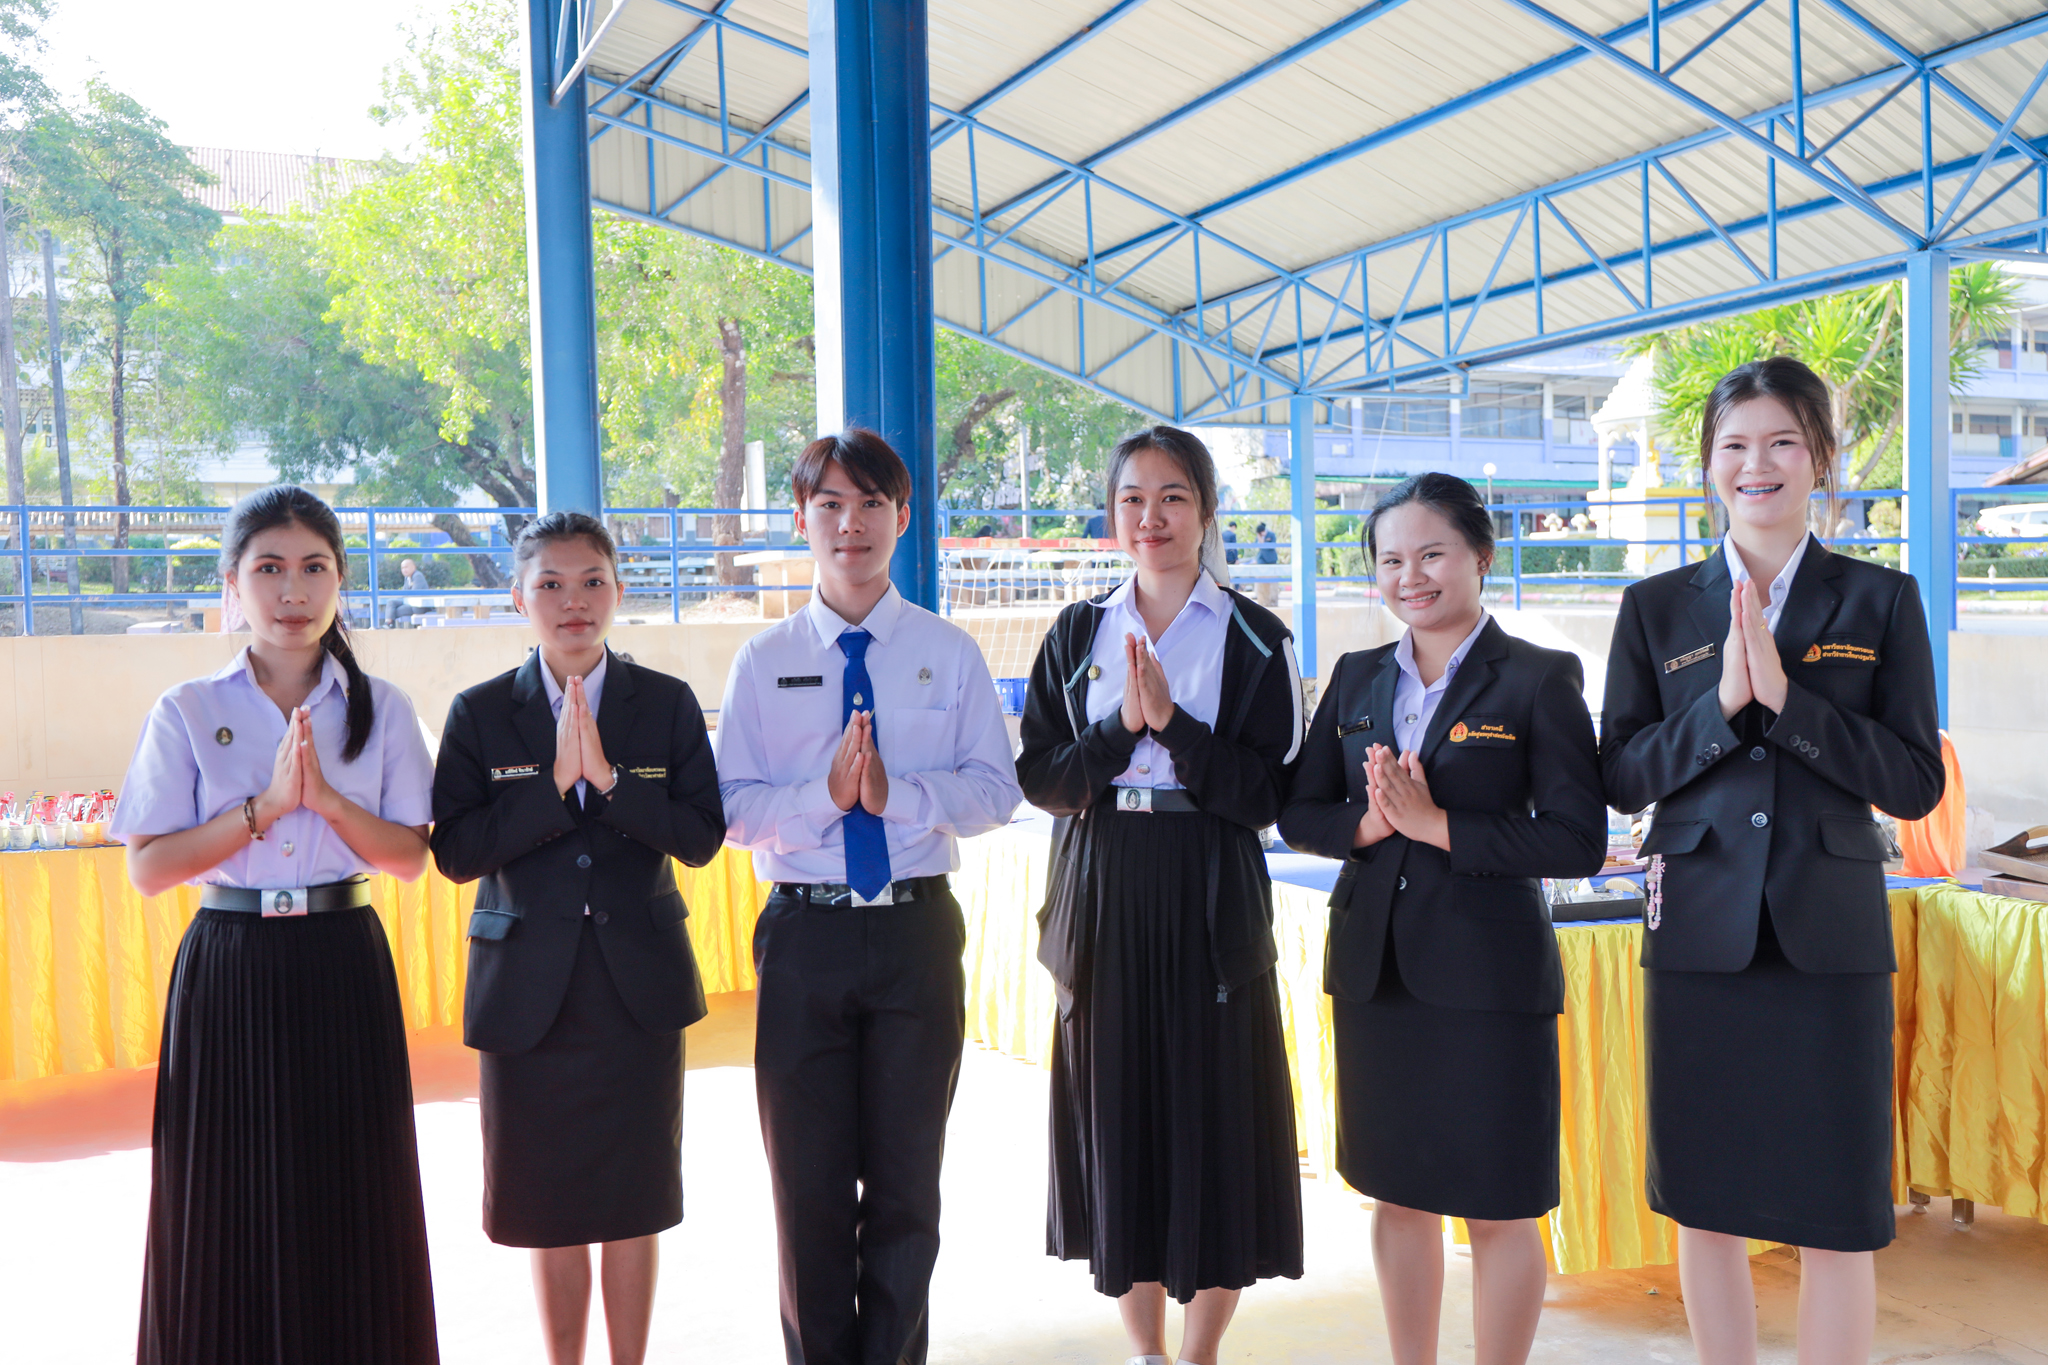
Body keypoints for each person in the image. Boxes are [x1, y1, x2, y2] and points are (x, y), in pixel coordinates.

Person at [1600, 356, 1944, 1365]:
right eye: (1735, 444)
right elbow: (1620, 773)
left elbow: (1914, 782)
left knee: (1836, 1203)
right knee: (1703, 1197)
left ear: (1819, 457)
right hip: (1697, 931)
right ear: (1708, 463)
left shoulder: (1881, 599)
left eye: (1783, 441)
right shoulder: (1656, 606)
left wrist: (1790, 706)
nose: (1757, 463)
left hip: (1827, 934)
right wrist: (1721, 708)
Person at [1278, 472, 1605, 1365]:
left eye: (1431, 554)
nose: (1410, 576)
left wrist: (1439, 826)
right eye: (1390, 560)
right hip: (1378, 974)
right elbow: (1299, 810)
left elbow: (1578, 837)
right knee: (1399, 1194)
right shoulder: (1355, 677)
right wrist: (1368, 825)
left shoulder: (1538, 676)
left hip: (1490, 979)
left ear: (1480, 556)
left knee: (1501, 1203)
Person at [113, 484, 440, 1364]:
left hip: (343, 959)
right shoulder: (188, 707)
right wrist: (263, 808)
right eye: (268, 568)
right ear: (231, 584)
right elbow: (148, 867)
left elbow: (411, 856)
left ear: (340, 581)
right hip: (230, 962)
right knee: (223, 1190)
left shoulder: (384, 707)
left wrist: (326, 802)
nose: (292, 590)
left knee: (351, 1184)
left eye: (313, 568)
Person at [717, 428, 1022, 1365]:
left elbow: (997, 791)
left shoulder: (948, 651)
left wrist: (900, 797)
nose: (851, 524)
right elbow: (731, 810)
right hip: (803, 937)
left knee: (905, 1188)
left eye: (872, 504)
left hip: (915, 934)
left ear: (903, 517)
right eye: (830, 505)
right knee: (806, 1190)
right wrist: (826, 797)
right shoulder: (762, 659)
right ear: (801, 519)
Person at [1016, 425, 1305, 1365]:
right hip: (1103, 881)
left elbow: (1269, 795)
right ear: (1112, 514)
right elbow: (1043, 777)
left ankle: (1200, 1352)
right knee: (1120, 1122)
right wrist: (1117, 730)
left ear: (1207, 510)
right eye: (1133, 498)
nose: (1152, 516)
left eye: (1173, 496)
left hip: (1210, 888)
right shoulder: (1076, 632)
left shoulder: (1256, 635)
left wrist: (1173, 725)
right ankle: (1146, 1351)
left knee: (1216, 1120)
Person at [430, 511, 726, 1365]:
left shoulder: (664, 702)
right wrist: (556, 785)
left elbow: (701, 836)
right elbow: (456, 851)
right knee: (546, 1207)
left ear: (619, 589)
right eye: (551, 584)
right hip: (527, 994)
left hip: (636, 989)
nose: (573, 601)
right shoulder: (481, 712)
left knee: (635, 1203)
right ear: (517, 596)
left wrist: (610, 780)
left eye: (592, 580)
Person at [1255, 523, 1279, 607]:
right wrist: (1259, 540)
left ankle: (1273, 601)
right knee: (1261, 582)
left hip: (1271, 560)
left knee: (1273, 582)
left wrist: (1263, 543)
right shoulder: (1258, 536)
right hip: (1261, 560)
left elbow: (1272, 546)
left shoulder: (1271, 534)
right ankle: (1262, 601)